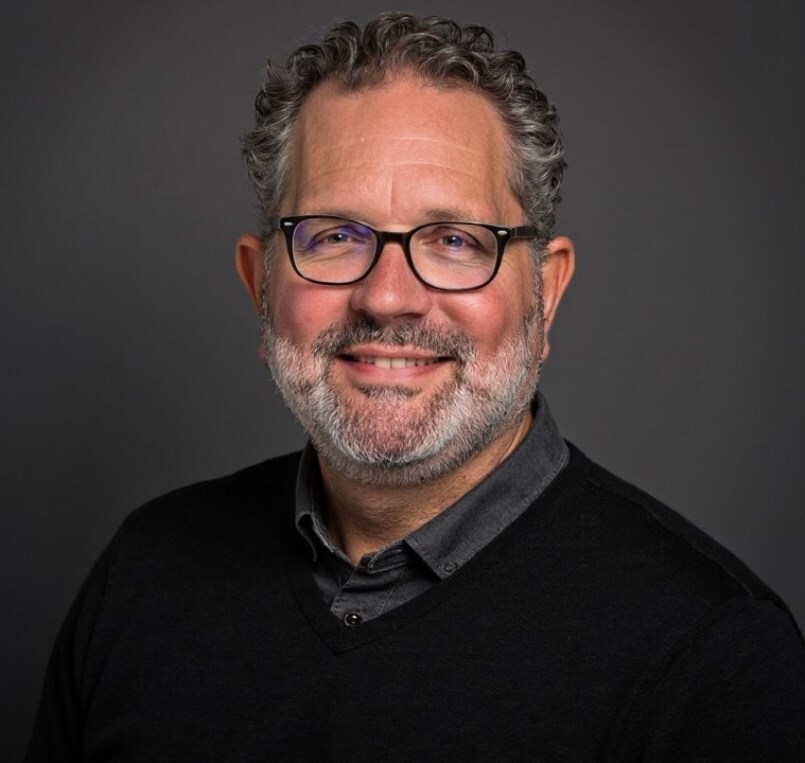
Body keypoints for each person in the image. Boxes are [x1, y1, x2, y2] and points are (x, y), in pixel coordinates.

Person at [26, 12, 805, 761]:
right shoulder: (145, 573)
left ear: (544, 297)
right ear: (258, 285)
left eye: (455, 240)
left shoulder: (713, 654)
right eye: (334, 235)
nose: (387, 296)